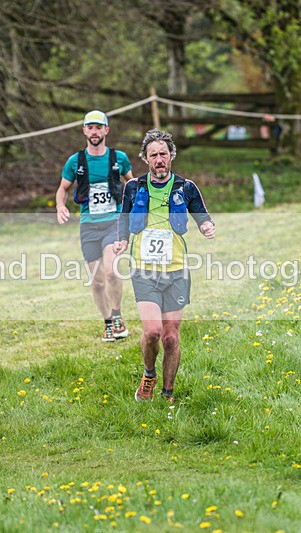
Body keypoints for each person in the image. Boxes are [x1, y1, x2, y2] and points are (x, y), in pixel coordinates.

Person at [114, 129, 215, 404]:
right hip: (144, 270)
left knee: (171, 338)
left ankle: (167, 394)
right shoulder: (134, 187)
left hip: (177, 270)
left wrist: (206, 225)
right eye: (153, 155)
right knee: (153, 332)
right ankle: (149, 375)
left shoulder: (186, 187)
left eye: (163, 154)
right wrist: (121, 240)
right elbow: (123, 219)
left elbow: (201, 214)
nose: (159, 159)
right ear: (145, 159)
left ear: (171, 155)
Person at [56, 110, 134, 341]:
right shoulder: (75, 161)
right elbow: (62, 189)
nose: (94, 131)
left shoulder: (118, 158)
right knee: (97, 281)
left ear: (106, 131)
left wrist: (135, 210)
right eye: (90, 127)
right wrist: (61, 206)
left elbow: (133, 184)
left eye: (99, 127)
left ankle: (118, 317)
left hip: (114, 222)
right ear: (84, 131)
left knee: (111, 271)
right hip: (89, 226)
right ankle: (108, 322)